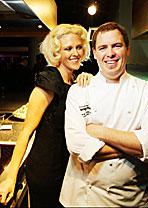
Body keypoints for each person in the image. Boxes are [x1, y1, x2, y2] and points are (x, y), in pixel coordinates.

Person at [59, 22, 148, 207]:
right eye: (102, 47)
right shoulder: (79, 91)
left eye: (117, 46)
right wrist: (135, 145)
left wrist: (97, 131)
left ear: (127, 50)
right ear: (94, 53)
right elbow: (76, 144)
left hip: (134, 198)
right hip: (85, 199)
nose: (110, 54)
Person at [0, 23, 91, 207]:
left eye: (78, 47)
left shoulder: (73, 79)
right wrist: (11, 176)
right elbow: (26, 132)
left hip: (66, 166)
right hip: (47, 170)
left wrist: (86, 79)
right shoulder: (50, 80)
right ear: (57, 52)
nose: (75, 52)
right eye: (68, 48)